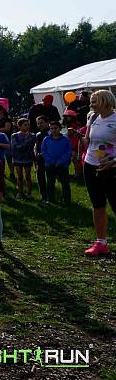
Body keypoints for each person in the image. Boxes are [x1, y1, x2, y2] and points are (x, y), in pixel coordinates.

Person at [81, 89, 116, 256]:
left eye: (94, 101)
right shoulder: (92, 116)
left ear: (105, 101)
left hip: (111, 168)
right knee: (98, 204)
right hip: (90, 164)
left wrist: (113, 161)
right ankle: (101, 243)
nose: (91, 104)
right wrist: (78, 137)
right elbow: (88, 140)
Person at [42, 120, 72, 205]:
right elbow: (44, 151)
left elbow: (68, 152)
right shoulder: (46, 139)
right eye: (51, 128)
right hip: (50, 164)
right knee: (50, 183)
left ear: (60, 128)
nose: (53, 130)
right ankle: (51, 199)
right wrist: (51, 161)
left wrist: (60, 161)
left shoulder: (65, 139)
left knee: (65, 183)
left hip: (62, 165)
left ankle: (67, 200)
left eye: (55, 128)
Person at [10, 118, 36, 200]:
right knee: (19, 176)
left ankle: (29, 193)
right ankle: (20, 192)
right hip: (17, 158)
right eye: (25, 125)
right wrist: (26, 142)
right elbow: (15, 147)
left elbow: (32, 146)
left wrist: (25, 144)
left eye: (28, 125)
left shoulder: (32, 135)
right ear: (19, 126)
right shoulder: (14, 135)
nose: (27, 126)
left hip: (28, 158)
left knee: (28, 176)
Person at [0, 105, 14, 179]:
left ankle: (12, 173)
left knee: (9, 158)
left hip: (7, 141)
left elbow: (7, 129)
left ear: (1, 111)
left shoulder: (7, 119)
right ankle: (1, 173)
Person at [34, 116, 51, 203]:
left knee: (50, 178)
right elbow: (36, 146)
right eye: (38, 123)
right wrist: (36, 153)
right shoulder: (38, 135)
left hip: (51, 159)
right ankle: (43, 196)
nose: (40, 125)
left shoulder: (52, 133)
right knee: (40, 177)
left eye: (41, 122)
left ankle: (51, 196)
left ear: (47, 122)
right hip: (40, 159)